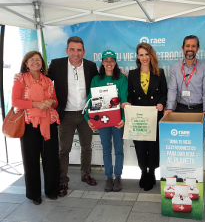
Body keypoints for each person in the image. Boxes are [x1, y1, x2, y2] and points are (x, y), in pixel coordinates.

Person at [48, 36, 98, 197]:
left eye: (78, 50)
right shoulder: (57, 64)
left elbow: (99, 83)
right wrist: (23, 75)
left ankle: (86, 175)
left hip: (85, 115)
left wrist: (119, 75)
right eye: (72, 49)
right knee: (64, 150)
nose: (75, 53)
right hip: (66, 115)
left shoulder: (91, 66)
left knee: (86, 147)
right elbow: (44, 81)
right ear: (66, 50)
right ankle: (63, 181)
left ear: (83, 51)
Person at [12, 51, 60, 205]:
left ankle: (52, 190)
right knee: (31, 160)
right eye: (31, 60)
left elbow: (56, 102)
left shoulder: (48, 80)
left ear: (42, 63)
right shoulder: (21, 80)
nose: (35, 62)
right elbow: (16, 102)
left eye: (38, 60)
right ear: (26, 63)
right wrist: (36, 104)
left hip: (49, 122)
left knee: (51, 159)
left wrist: (50, 102)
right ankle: (34, 195)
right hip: (29, 125)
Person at [123, 43, 167, 191]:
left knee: (153, 147)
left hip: (154, 115)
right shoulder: (132, 74)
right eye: (141, 55)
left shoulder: (159, 73)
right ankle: (143, 172)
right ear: (137, 56)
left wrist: (161, 103)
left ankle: (152, 172)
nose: (144, 58)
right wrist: (128, 102)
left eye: (146, 54)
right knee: (140, 147)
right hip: (139, 116)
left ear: (151, 55)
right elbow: (130, 94)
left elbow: (164, 93)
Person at [84, 50, 128, 192]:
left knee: (119, 149)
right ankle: (108, 177)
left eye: (111, 60)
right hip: (102, 121)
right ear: (102, 63)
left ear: (115, 62)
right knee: (106, 149)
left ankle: (118, 177)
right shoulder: (96, 79)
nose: (109, 63)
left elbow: (125, 100)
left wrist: (124, 119)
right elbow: (90, 100)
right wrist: (88, 119)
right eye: (106, 60)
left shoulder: (122, 78)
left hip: (117, 121)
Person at [164, 35, 205, 127]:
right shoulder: (175, 67)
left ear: (198, 48)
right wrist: (169, 108)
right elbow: (172, 89)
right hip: (181, 109)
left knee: (196, 139)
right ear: (183, 48)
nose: (190, 49)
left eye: (193, 46)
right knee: (181, 139)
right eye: (187, 46)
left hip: (199, 110)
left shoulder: (204, 67)